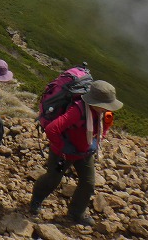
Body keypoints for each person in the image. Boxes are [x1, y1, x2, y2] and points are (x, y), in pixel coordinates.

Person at [30, 80, 123, 227]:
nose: (107, 108)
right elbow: (52, 129)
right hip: (63, 154)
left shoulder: (105, 112)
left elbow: (106, 127)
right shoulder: (77, 110)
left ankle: (76, 213)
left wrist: (96, 141)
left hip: (84, 152)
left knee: (88, 183)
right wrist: (63, 148)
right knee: (53, 179)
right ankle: (36, 200)